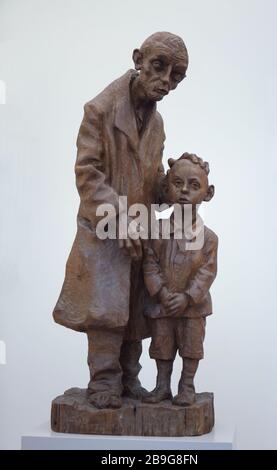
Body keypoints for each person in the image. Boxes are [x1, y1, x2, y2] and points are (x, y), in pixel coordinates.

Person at [53, 32, 189, 409]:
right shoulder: (99, 109)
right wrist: (119, 219)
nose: (166, 80)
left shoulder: (157, 122)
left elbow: (149, 178)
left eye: (176, 76)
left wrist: (174, 182)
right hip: (104, 231)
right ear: (138, 59)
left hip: (140, 231)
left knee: (135, 314)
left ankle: (130, 378)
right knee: (105, 313)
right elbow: (88, 173)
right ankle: (104, 383)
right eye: (159, 67)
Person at [143, 153, 218, 406]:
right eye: (177, 183)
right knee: (162, 346)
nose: (185, 191)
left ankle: (187, 386)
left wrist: (187, 297)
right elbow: (150, 264)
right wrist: (162, 294)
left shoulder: (209, 238)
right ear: (166, 188)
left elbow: (207, 272)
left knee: (191, 347)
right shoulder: (158, 231)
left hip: (192, 309)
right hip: (162, 306)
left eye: (194, 185)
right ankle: (162, 385)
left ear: (208, 194)